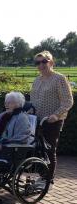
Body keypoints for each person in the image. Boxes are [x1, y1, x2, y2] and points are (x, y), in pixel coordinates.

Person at [30, 51, 73, 183]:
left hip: (52, 121)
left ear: (51, 62)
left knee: (49, 150)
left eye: (44, 61)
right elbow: (33, 100)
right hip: (38, 121)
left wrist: (56, 115)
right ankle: (42, 175)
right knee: (39, 149)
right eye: (38, 62)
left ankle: (49, 179)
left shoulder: (59, 78)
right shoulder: (37, 80)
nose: (41, 65)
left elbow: (68, 101)